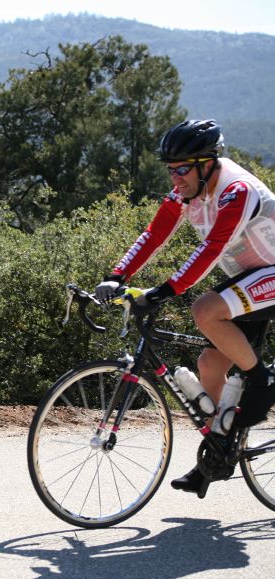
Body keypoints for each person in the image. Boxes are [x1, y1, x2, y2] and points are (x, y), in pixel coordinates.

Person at [94, 119, 275, 496]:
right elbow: (153, 234)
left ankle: (262, 381)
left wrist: (164, 290)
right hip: (249, 281)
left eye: (181, 169)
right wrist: (118, 275)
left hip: (269, 275)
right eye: (170, 170)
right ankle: (217, 454)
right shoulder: (186, 192)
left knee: (205, 310)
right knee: (209, 366)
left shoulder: (236, 192)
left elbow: (211, 250)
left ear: (207, 163)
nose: (174, 178)